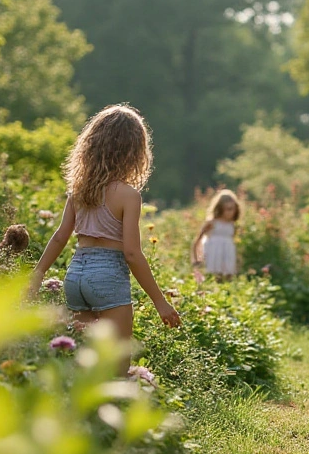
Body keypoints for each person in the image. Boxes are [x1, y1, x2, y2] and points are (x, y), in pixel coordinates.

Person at [28, 105, 181, 357]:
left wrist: (38, 273)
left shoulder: (78, 190)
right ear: (134, 152)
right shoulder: (129, 196)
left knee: (85, 361)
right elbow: (132, 254)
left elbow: (60, 236)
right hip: (107, 276)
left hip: (76, 274)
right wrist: (160, 302)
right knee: (116, 363)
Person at [192, 189, 240, 280]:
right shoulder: (212, 223)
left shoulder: (232, 224)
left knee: (227, 275)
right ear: (220, 208)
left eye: (233, 209)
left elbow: (232, 240)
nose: (231, 212)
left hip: (227, 253)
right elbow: (198, 240)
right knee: (214, 276)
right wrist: (196, 258)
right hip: (213, 253)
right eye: (228, 209)